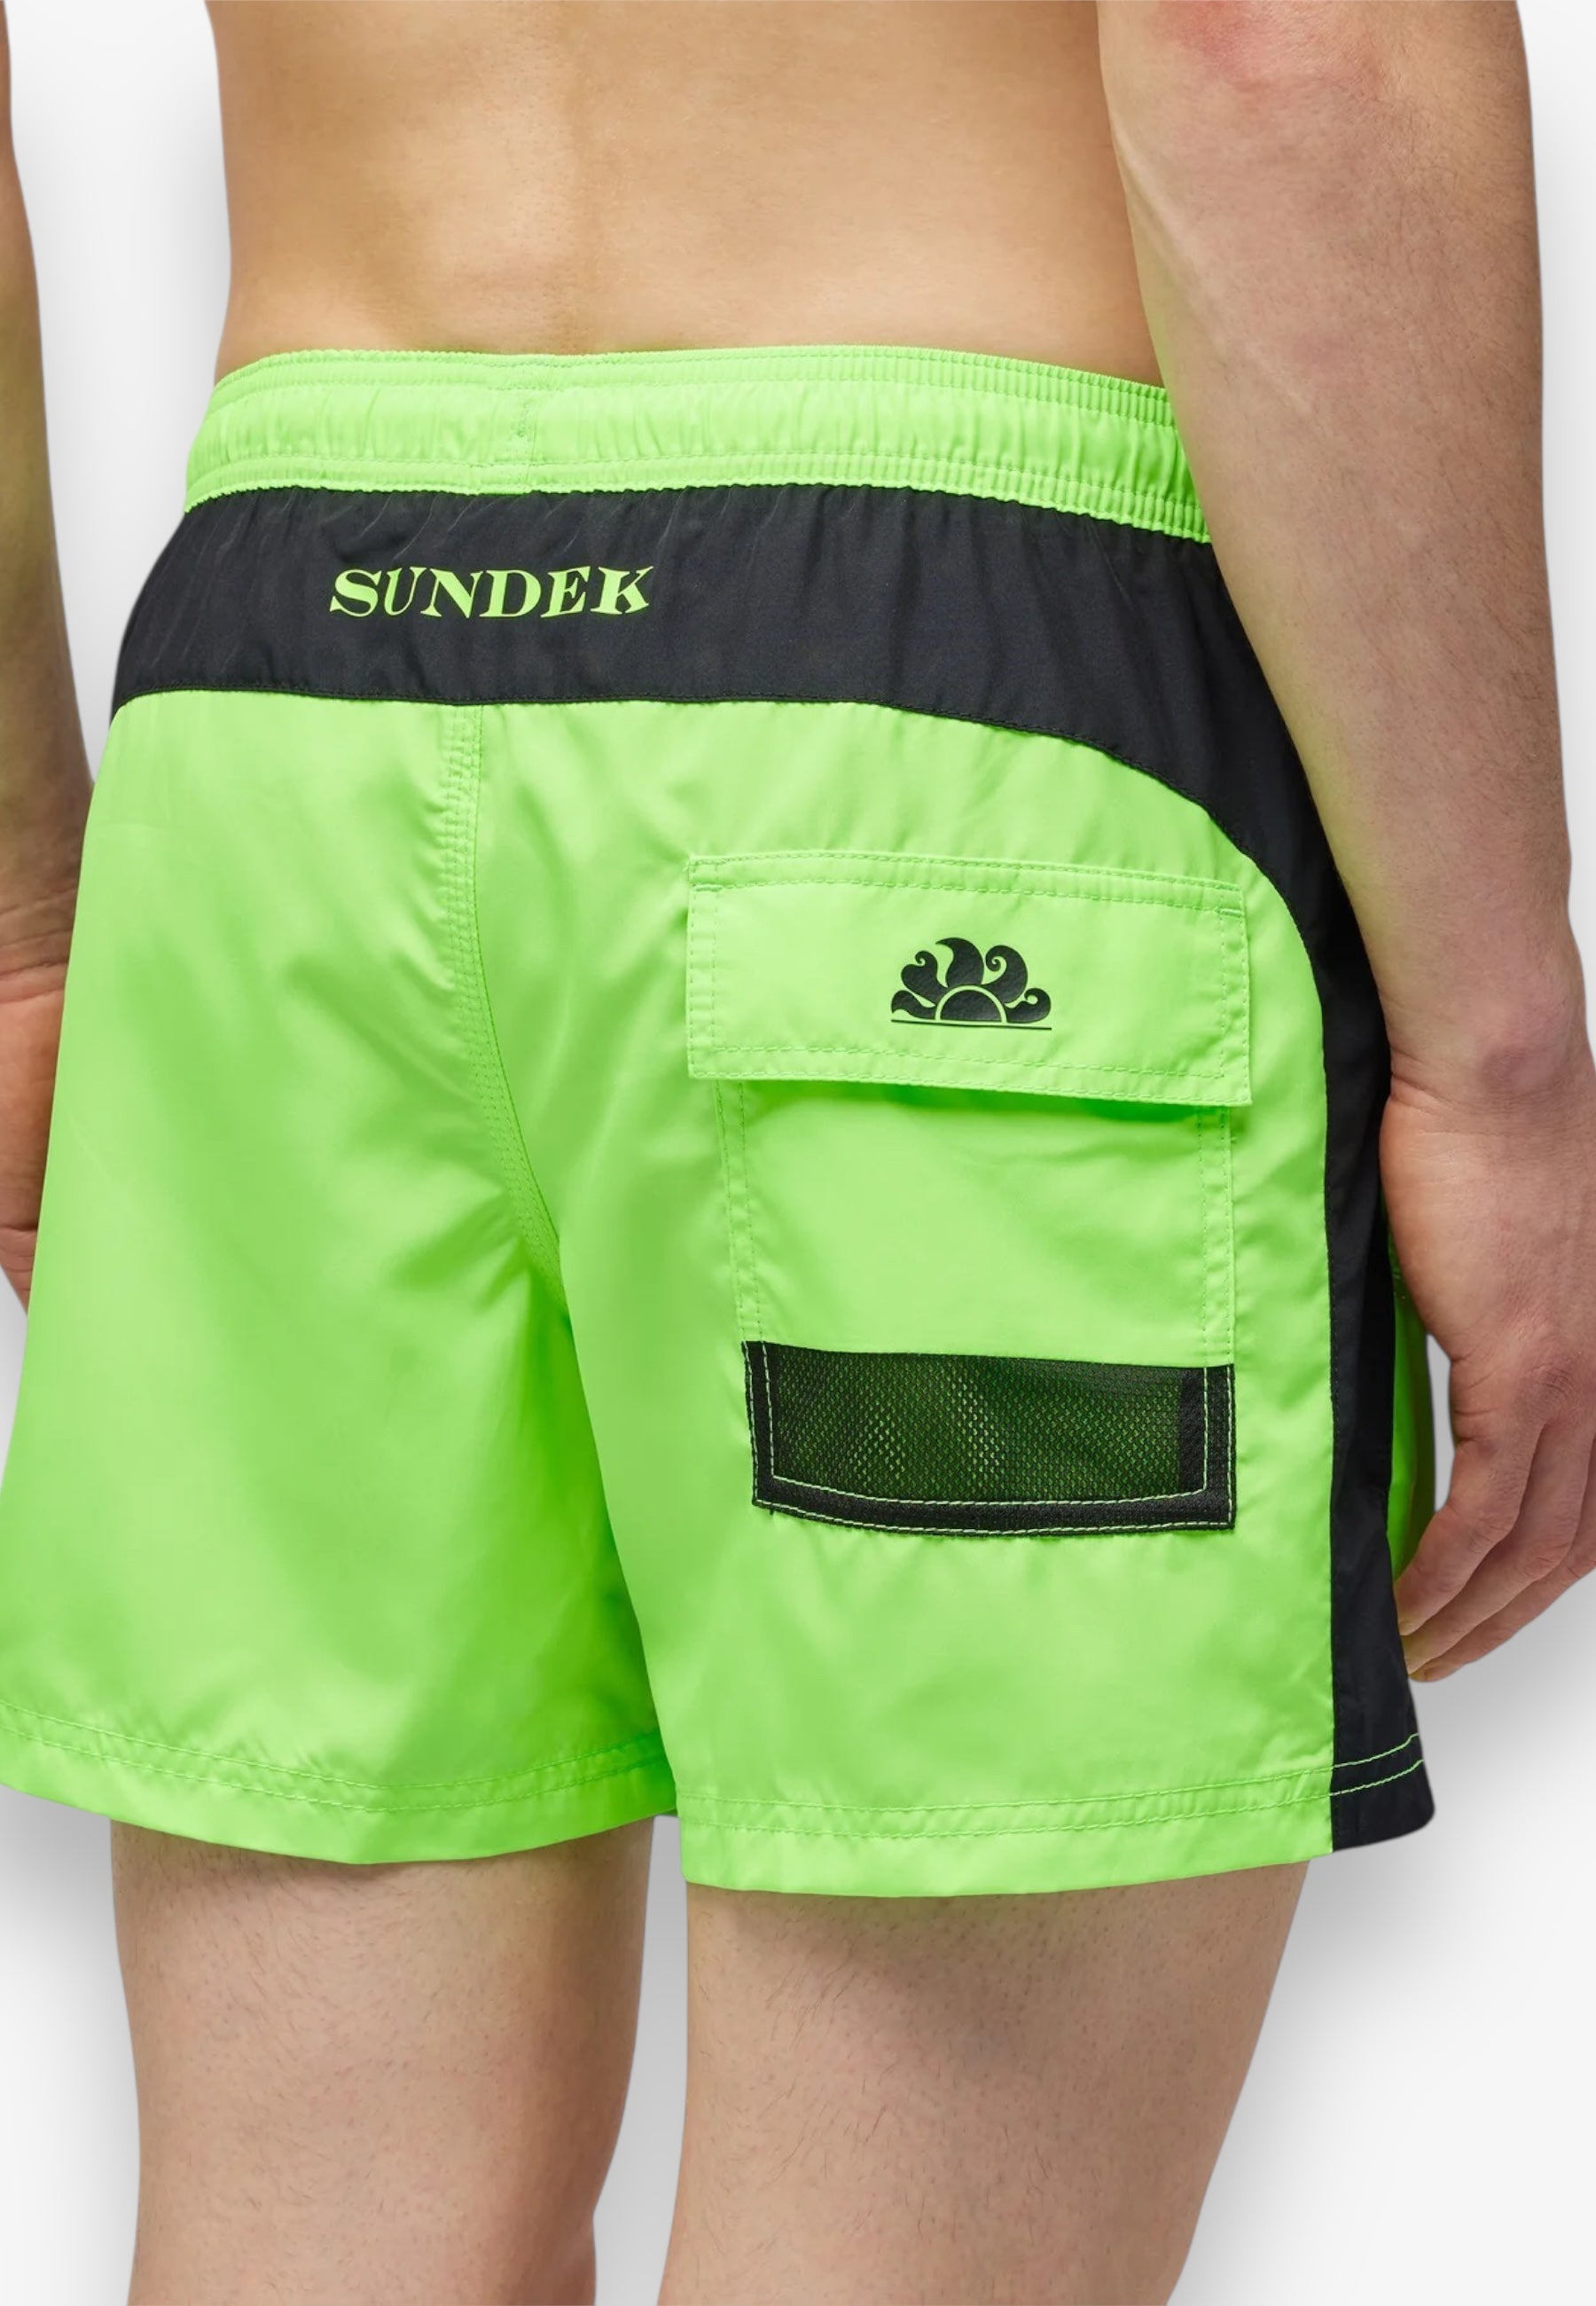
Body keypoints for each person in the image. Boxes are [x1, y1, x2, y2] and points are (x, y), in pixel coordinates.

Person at [0, 4, 1589, 2301]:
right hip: (951, 752)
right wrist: (1508, 1059)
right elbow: (1270, 39)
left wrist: (22, 928)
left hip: (284, 740)